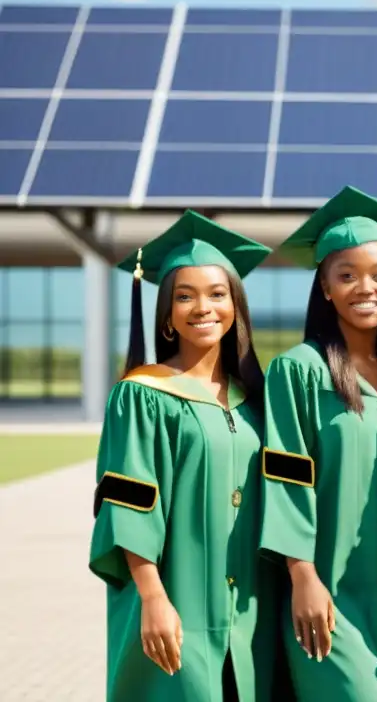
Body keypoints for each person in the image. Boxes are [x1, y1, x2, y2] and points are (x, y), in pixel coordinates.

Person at [88, 210, 286, 702]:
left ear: (236, 306)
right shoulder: (143, 395)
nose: (204, 307)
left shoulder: (257, 399)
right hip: (178, 603)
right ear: (167, 315)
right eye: (185, 295)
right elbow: (128, 500)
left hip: (252, 611)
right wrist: (153, 597)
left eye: (218, 294)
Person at [258, 186, 377, 701]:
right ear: (325, 288)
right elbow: (285, 476)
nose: (364, 287)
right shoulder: (297, 372)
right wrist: (301, 574)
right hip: (331, 596)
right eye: (345, 276)